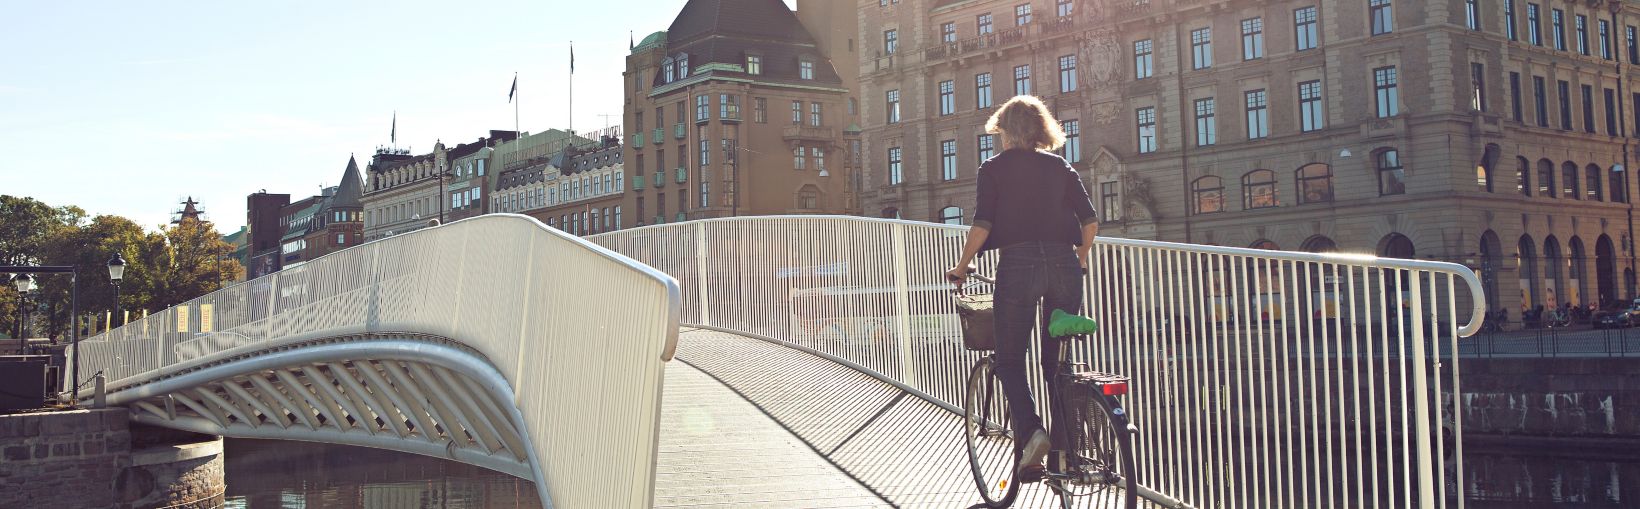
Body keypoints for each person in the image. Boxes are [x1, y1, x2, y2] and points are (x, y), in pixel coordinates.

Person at [946, 95, 1099, 481]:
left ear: (1006, 132)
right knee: (1056, 365)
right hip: (1064, 265)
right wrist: (1079, 259)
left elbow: (982, 224)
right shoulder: (1060, 166)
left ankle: (1032, 434)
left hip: (1019, 266)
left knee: (1010, 359)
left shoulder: (993, 169)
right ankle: (1066, 457)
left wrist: (963, 266)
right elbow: (1090, 222)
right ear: (1039, 130)